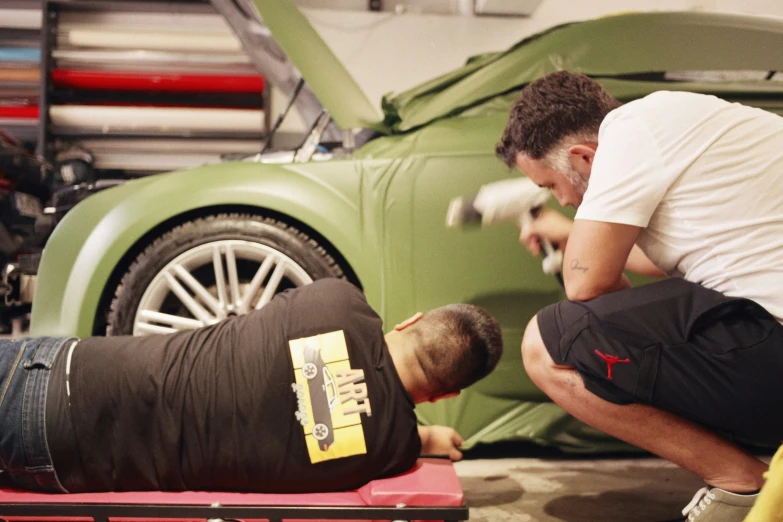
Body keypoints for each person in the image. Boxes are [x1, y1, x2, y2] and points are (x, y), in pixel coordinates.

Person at [496, 71, 783, 522]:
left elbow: (586, 286)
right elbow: (670, 255)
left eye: (551, 186)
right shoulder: (671, 120)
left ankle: (742, 485)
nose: (563, 200)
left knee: (549, 343)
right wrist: (573, 234)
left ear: (583, 157)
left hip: (774, 347)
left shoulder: (630, 133)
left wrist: (593, 289)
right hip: (770, 340)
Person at [0, 278, 503, 494]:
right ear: (445, 395)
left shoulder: (335, 302)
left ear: (409, 322)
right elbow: (392, 422)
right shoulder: (389, 452)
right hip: (62, 463)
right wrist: (426, 437)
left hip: (61, 369)